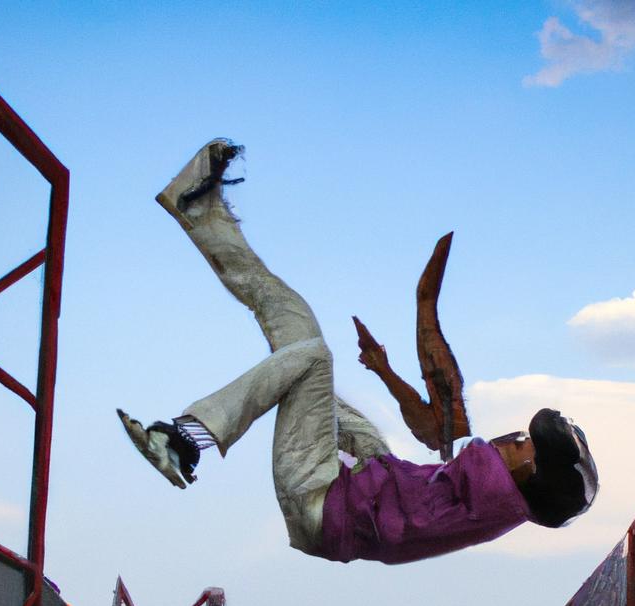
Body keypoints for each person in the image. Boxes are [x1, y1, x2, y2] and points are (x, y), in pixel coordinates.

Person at [119, 140, 598, 565]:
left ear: (530, 471)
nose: (507, 440)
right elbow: (437, 420)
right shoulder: (483, 499)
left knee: (313, 358)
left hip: (323, 499)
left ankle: (183, 441)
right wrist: (387, 370)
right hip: (357, 487)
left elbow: (448, 406)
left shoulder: (495, 496)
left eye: (520, 444)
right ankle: (203, 214)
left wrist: (426, 304)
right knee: (295, 323)